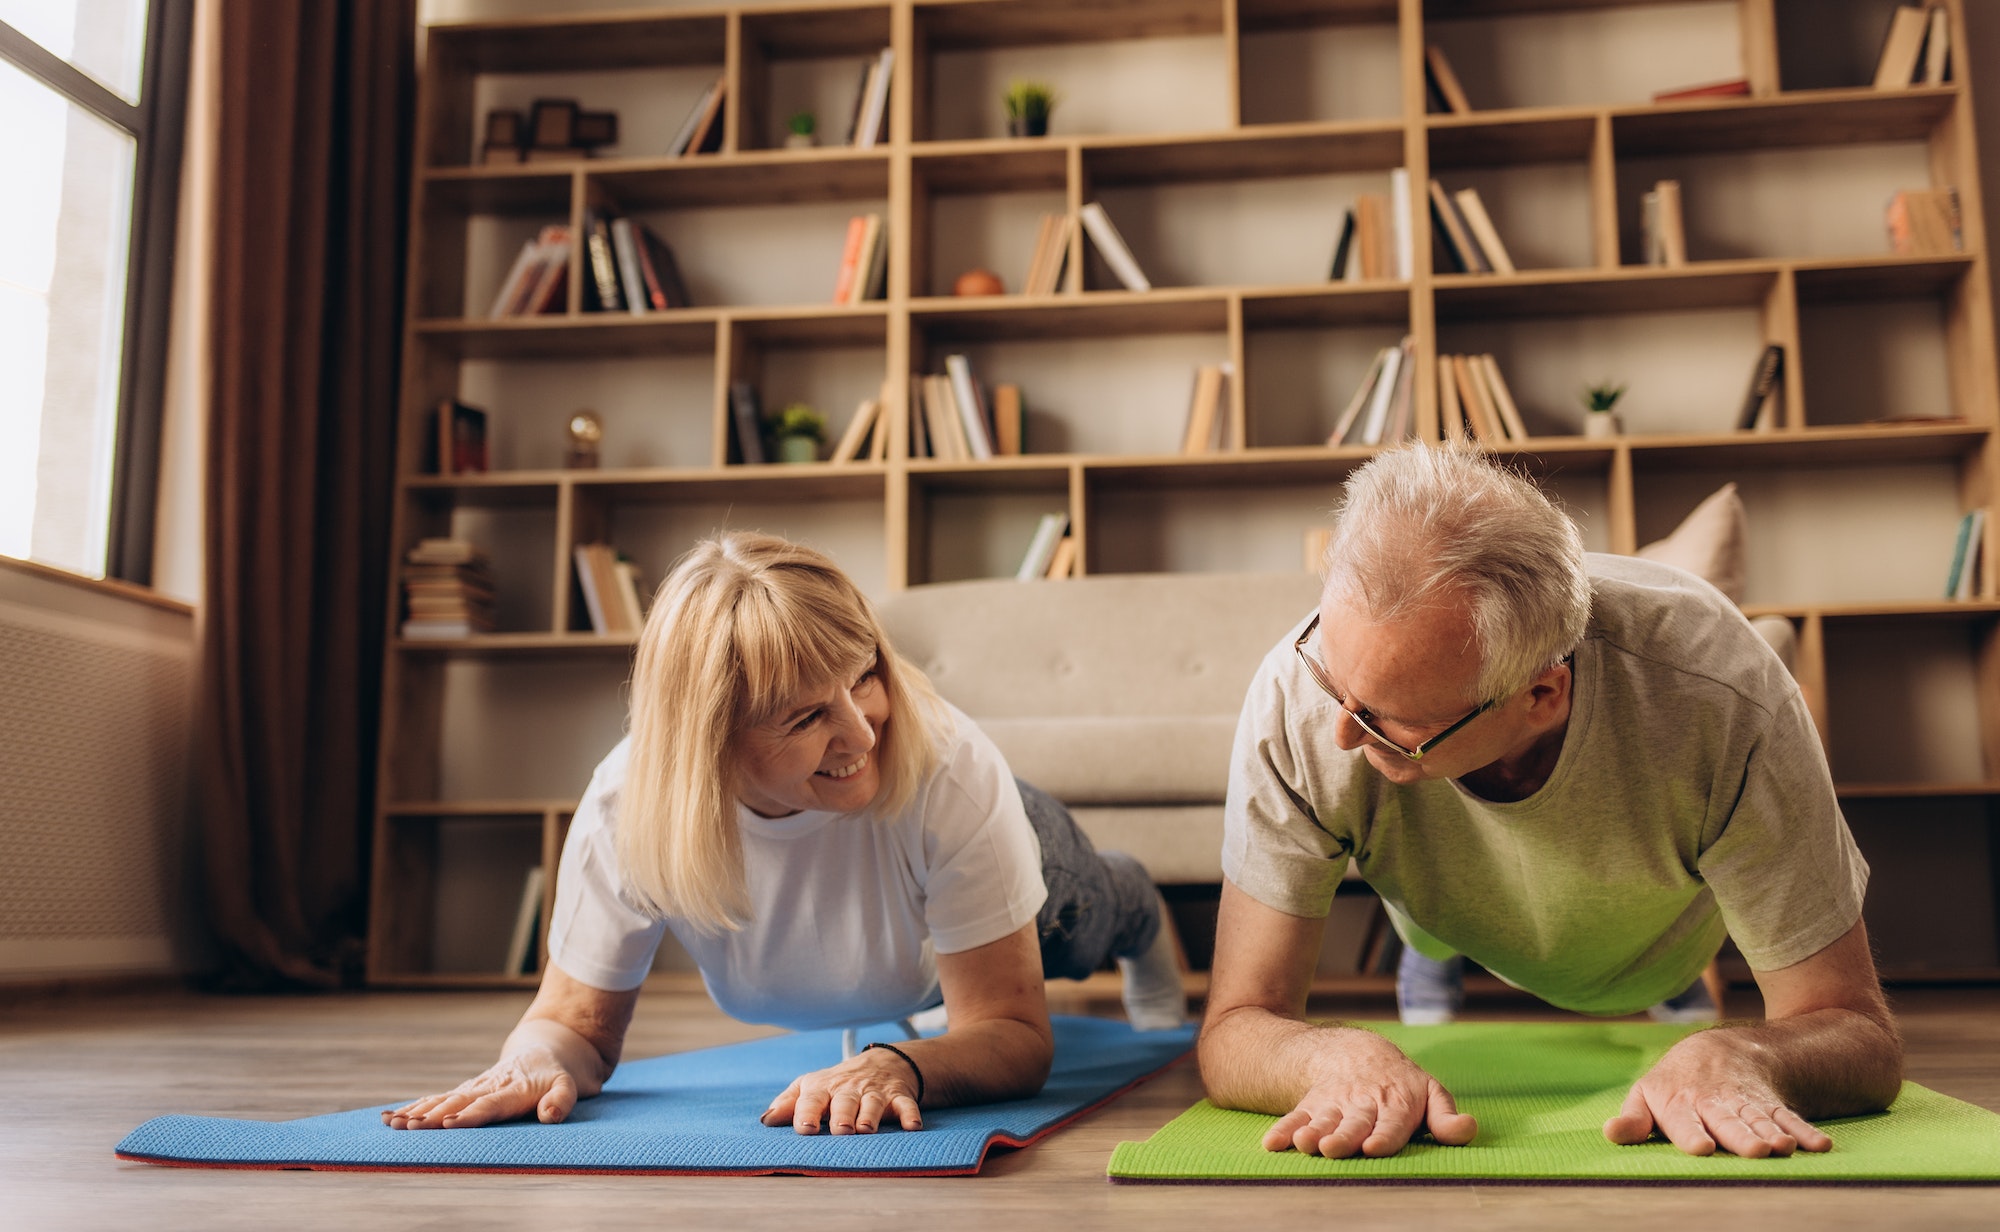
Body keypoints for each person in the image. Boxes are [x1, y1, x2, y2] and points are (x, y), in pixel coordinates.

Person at [1200, 444, 1902, 1161]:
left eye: (1392, 722)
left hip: (1657, 939)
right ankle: (1429, 953)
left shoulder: (1726, 697)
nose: (1342, 731)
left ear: (1541, 695)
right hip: (1439, 901)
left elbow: (1857, 1030)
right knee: (1427, 929)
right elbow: (1235, 1024)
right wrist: (1323, 1058)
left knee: (1680, 990)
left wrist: (1748, 1055)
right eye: (1332, 674)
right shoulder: (1298, 695)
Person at [385, 532, 1183, 1138]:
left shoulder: (949, 764)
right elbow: (574, 1026)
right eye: (806, 716)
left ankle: (1140, 900)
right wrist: (532, 1060)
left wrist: (896, 1063)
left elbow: (1012, 1034)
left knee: (1096, 916)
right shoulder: (629, 802)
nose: (863, 733)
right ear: (708, 743)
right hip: (902, 945)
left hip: (1024, 853)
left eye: (864, 675)